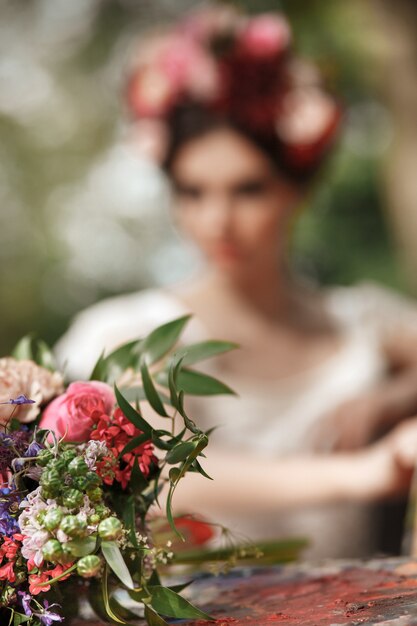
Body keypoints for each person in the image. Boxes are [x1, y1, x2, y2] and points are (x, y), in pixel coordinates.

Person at [56, 7, 417, 558]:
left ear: (297, 189)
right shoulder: (132, 330)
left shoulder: (361, 319)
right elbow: (159, 469)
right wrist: (363, 472)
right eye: (193, 192)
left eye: (247, 189)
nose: (216, 221)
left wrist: (395, 395)